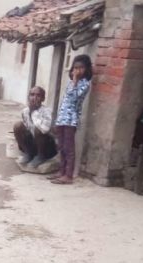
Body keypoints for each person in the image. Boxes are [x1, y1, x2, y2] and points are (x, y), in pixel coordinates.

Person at [51, 54, 93, 185]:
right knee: (61, 146)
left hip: (71, 120)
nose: (77, 71)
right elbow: (65, 100)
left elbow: (75, 98)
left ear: (86, 69)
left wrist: (75, 81)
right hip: (62, 118)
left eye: (81, 68)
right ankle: (61, 171)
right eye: (75, 68)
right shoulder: (71, 83)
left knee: (69, 148)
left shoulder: (85, 84)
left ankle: (68, 175)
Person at [13, 86, 57, 170]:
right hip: (34, 143)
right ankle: (28, 153)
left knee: (38, 130)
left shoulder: (47, 111)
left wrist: (34, 112)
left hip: (47, 146)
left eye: (38, 95)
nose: (34, 98)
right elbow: (27, 128)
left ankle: (41, 156)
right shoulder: (25, 111)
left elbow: (44, 130)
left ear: (43, 99)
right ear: (28, 97)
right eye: (32, 95)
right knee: (18, 126)